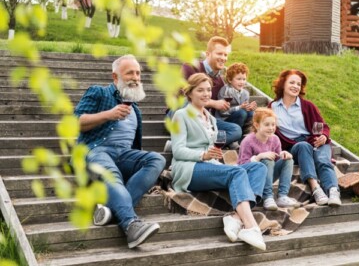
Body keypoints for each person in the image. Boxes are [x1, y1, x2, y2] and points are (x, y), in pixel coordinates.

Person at [74, 54, 166, 248]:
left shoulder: (136, 110)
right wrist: (109, 114)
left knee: (156, 159)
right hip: (96, 151)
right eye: (130, 73)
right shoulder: (99, 92)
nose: (135, 77)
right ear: (115, 77)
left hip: (124, 155)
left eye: (138, 73)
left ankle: (108, 209)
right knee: (112, 174)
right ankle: (131, 225)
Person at [170, 73, 267, 250]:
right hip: (189, 168)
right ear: (190, 93)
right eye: (200, 90)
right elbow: (177, 150)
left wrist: (212, 155)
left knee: (258, 167)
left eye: (208, 90)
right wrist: (203, 155)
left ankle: (236, 217)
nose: (206, 94)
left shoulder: (211, 118)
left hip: (210, 165)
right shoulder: (181, 115)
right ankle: (251, 226)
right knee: (237, 172)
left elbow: (213, 146)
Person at [268, 69, 341, 207]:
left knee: (322, 160)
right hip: (295, 146)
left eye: (298, 84)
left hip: (316, 141)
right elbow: (266, 128)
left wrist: (324, 137)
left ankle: (333, 192)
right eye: (292, 82)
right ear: (283, 84)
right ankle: (316, 189)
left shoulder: (307, 106)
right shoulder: (273, 107)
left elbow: (323, 126)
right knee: (302, 146)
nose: (296, 86)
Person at [181, 36, 242, 149]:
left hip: (205, 120)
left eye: (225, 55)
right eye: (219, 53)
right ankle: (205, 144)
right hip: (182, 115)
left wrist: (228, 105)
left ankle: (199, 145)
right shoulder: (190, 67)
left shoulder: (220, 81)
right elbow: (184, 97)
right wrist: (213, 103)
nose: (223, 58)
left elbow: (215, 112)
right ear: (208, 54)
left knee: (236, 130)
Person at [238, 107, 298, 211]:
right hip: (251, 178)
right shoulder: (248, 141)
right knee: (266, 160)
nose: (271, 128)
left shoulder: (275, 139)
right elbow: (242, 166)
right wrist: (258, 157)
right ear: (257, 125)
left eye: (273, 124)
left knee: (288, 160)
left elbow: (276, 158)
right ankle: (268, 197)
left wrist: (283, 154)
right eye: (267, 125)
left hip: (268, 176)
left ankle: (282, 196)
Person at [216, 62, 257, 132]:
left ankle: (244, 133)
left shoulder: (245, 93)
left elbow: (244, 107)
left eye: (244, 79)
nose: (242, 82)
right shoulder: (225, 90)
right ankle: (236, 134)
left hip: (239, 118)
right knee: (242, 113)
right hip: (225, 119)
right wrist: (239, 107)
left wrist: (249, 107)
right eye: (239, 79)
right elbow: (223, 112)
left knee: (251, 113)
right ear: (229, 80)